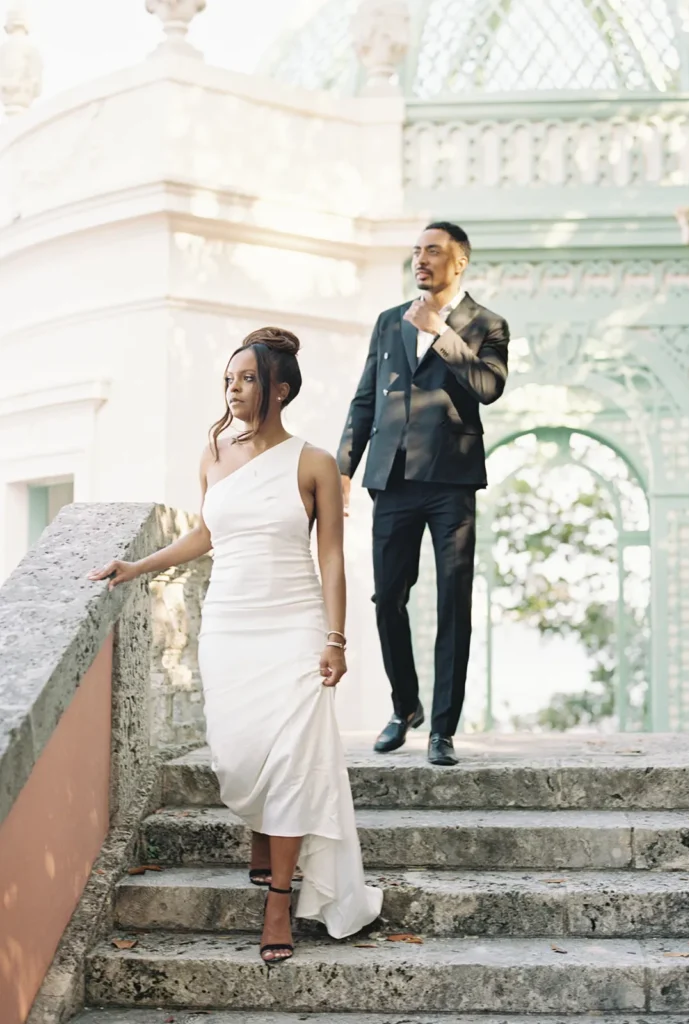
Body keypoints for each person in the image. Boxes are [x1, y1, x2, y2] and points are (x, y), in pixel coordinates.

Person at [88, 327, 382, 963]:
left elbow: (330, 556)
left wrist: (336, 638)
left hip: (297, 622)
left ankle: (279, 898)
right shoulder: (215, 451)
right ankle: (260, 823)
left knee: (295, 760)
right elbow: (205, 534)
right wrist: (137, 566)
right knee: (240, 755)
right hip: (230, 624)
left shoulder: (315, 463)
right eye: (228, 379)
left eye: (246, 379)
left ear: (279, 388)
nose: (233, 389)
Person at [338, 222, 509, 767]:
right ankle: (405, 704)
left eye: (433, 251)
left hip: (451, 481)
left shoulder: (487, 324)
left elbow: (489, 387)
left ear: (459, 262)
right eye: (417, 250)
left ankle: (442, 730)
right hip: (391, 479)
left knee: (453, 603)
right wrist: (344, 467)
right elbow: (365, 398)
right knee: (387, 597)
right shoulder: (389, 321)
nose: (421, 259)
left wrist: (441, 332)